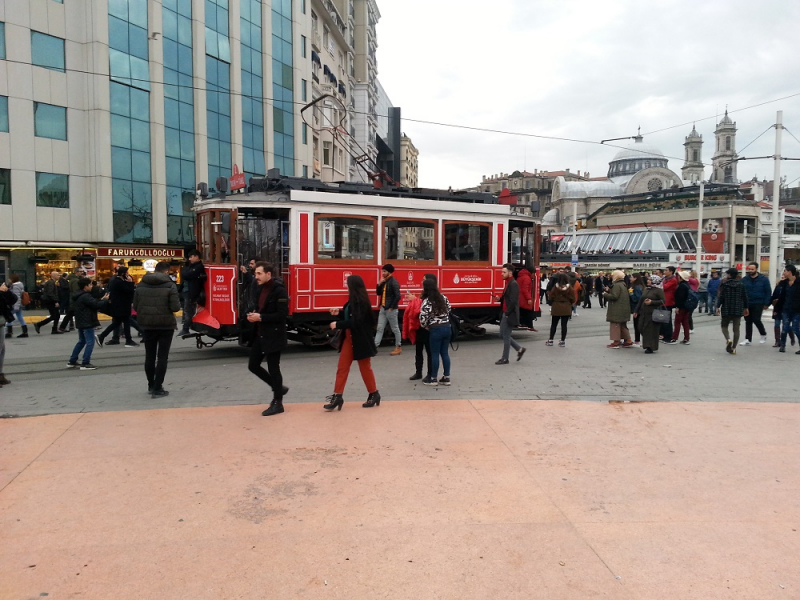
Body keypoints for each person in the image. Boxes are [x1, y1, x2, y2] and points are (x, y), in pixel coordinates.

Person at [324, 275, 380, 410]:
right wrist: (338, 313)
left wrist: (338, 324)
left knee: (364, 368)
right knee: (342, 367)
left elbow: (356, 322)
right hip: (350, 338)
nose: (346, 287)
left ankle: (374, 393)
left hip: (360, 339)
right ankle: (337, 395)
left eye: (348, 284)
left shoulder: (361, 302)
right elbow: (350, 316)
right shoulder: (355, 300)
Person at [133, 261, 182, 398]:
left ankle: (150, 384)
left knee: (150, 355)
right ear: (166, 271)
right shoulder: (170, 285)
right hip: (166, 325)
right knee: (162, 357)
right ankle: (157, 387)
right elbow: (175, 307)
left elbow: (135, 306)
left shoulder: (141, 284)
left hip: (147, 324)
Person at [246, 262, 289, 416]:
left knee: (273, 367)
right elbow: (260, 308)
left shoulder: (279, 291)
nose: (256, 276)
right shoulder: (260, 288)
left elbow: (282, 315)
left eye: (259, 273)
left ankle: (278, 402)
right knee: (253, 365)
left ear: (268, 274)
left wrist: (261, 317)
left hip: (274, 335)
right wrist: (253, 314)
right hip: (261, 334)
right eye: (255, 273)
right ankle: (278, 388)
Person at [66, 277, 110, 371]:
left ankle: (72, 360)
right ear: (85, 286)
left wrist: (102, 299)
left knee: (82, 341)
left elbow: (92, 303)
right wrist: (105, 300)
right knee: (90, 342)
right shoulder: (85, 296)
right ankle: (85, 362)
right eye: (90, 284)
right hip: (87, 321)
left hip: (81, 321)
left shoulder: (79, 295)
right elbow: (96, 305)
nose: (91, 286)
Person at [402, 273, 436, 381]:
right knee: (418, 350)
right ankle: (418, 372)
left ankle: (430, 373)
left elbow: (423, 307)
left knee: (429, 352)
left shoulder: (432, 295)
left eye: (424, 279)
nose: (422, 281)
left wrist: (415, 300)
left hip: (428, 327)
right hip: (419, 326)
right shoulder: (423, 293)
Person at [419, 278, 452, 386]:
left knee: (434, 354)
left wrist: (426, 326)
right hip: (447, 327)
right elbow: (449, 309)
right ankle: (446, 377)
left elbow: (423, 317)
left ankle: (433, 379)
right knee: (445, 353)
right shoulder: (443, 297)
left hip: (435, 329)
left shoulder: (427, 301)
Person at [97, 266, 137, 347]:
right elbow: (129, 292)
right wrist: (130, 282)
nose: (128, 274)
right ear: (122, 274)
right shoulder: (118, 282)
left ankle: (102, 336)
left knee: (117, 323)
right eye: (126, 273)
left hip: (120, 306)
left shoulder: (118, 280)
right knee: (125, 322)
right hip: (121, 306)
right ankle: (128, 341)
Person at [495, 263, 526, 364]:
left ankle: (505, 358)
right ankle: (519, 349)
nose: (502, 274)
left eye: (504, 272)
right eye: (502, 272)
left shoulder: (513, 284)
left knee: (506, 335)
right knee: (502, 334)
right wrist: (500, 299)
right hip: (506, 312)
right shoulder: (508, 283)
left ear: (510, 273)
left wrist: (507, 313)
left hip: (509, 313)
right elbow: (507, 298)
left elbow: (513, 301)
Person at [716, 268, 749, 355]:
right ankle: (734, 347)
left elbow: (721, 297)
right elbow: (745, 297)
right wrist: (746, 308)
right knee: (736, 329)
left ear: (730, 275)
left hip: (726, 308)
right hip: (738, 308)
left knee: (724, 326)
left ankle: (728, 339)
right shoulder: (741, 285)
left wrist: (717, 306)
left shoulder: (725, 284)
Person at [740, 262, 772, 346]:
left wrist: (767, 303)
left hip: (758, 302)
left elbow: (768, 291)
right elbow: (741, 291)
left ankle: (763, 334)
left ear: (756, 269)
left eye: (752, 269)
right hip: (747, 303)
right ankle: (748, 339)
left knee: (756, 319)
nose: (750, 271)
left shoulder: (763, 279)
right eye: (749, 269)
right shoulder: (745, 279)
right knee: (748, 321)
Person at [634, 274, 666, 354]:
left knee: (650, 330)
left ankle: (650, 346)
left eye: (650, 280)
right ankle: (648, 343)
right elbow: (641, 300)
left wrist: (652, 302)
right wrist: (636, 310)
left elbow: (662, 301)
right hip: (643, 312)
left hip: (653, 313)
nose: (648, 281)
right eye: (648, 279)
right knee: (641, 327)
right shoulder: (647, 289)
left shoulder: (658, 290)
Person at [374, 263, 402, 355]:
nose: (383, 273)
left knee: (395, 328)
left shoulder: (394, 282)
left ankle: (398, 346)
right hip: (384, 308)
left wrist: (391, 307)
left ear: (389, 272)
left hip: (390, 309)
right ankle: (375, 347)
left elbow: (398, 296)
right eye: (383, 271)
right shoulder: (385, 281)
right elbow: (378, 293)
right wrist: (379, 284)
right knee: (380, 328)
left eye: (384, 271)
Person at [178, 250, 206, 337]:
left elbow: (186, 275)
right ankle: (186, 326)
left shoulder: (199, 267)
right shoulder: (191, 266)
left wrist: (187, 274)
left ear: (196, 257)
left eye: (191, 257)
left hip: (191, 291)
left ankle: (185, 328)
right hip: (186, 291)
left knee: (188, 310)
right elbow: (184, 274)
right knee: (187, 309)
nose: (189, 259)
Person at [603, 269, 633, 349]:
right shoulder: (623, 284)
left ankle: (616, 342)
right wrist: (609, 290)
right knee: (623, 325)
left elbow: (614, 296)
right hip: (623, 308)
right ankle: (628, 340)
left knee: (615, 325)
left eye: (613, 275)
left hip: (617, 309)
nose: (612, 276)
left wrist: (605, 294)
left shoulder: (616, 285)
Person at [545, 273, 575, 347]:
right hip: (566, 307)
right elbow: (573, 299)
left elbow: (551, 297)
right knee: (564, 325)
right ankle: (562, 341)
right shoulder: (570, 288)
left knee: (554, 324)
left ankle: (551, 340)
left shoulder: (555, 287)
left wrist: (552, 302)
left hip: (556, 307)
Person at [775, 264, 800, 354]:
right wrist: (776, 309)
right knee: (785, 327)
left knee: (795, 328)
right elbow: (781, 297)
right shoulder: (784, 283)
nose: (783, 273)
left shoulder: (798, 282)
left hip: (797, 310)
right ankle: (782, 345)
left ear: (790, 272)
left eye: (785, 271)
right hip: (786, 309)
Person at [770, 273, 797, 348]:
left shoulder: (789, 286)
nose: (783, 278)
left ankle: (791, 336)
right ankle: (777, 341)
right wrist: (771, 303)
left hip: (785, 308)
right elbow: (774, 296)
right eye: (782, 277)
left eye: (784, 277)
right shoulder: (778, 285)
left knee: (786, 325)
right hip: (777, 307)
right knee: (777, 324)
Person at [0, 281, 18, 386]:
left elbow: (13, 299)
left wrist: (6, 291)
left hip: (1, 321)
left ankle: (0, 375)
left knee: (2, 349)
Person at [667, 271, 692, 345]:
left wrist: (677, 307)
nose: (677, 277)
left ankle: (674, 338)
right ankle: (686, 338)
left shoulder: (681, 286)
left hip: (681, 307)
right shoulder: (687, 285)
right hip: (687, 306)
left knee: (677, 322)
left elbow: (680, 298)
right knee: (685, 323)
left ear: (681, 278)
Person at [58, 267, 85, 332]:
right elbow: (76, 291)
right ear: (76, 272)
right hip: (75, 300)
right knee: (71, 314)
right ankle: (64, 327)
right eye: (80, 271)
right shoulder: (75, 280)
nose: (82, 273)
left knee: (70, 314)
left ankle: (66, 326)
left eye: (82, 271)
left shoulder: (74, 279)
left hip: (73, 299)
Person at [659, 266, 678, 340]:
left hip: (668, 301)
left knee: (667, 320)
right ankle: (663, 334)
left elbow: (664, 287)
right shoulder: (665, 279)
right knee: (662, 319)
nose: (664, 272)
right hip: (663, 301)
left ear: (671, 272)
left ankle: (668, 336)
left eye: (666, 270)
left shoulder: (673, 280)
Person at [629, 273, 646, 345]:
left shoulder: (636, 287)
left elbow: (637, 299)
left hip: (637, 308)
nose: (630, 278)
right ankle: (638, 340)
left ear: (635, 278)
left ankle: (637, 340)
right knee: (638, 325)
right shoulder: (641, 286)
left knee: (637, 325)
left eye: (631, 277)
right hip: (640, 308)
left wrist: (631, 294)